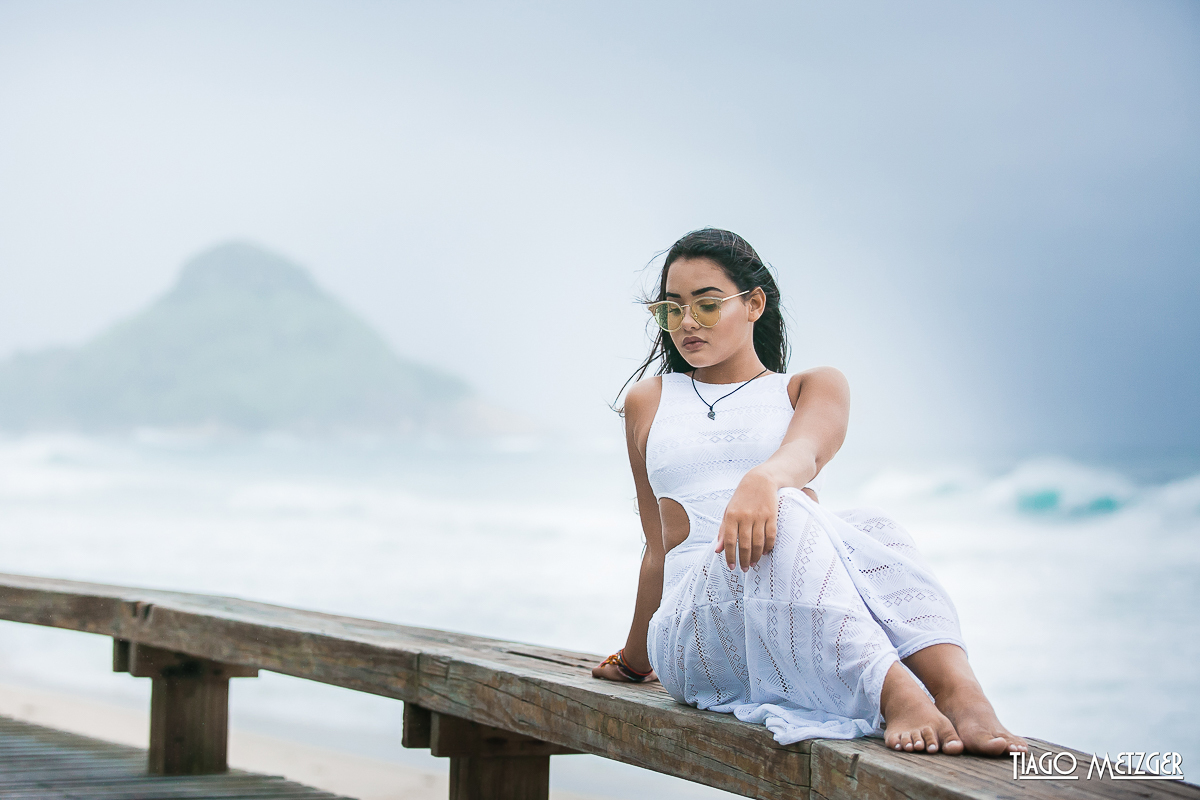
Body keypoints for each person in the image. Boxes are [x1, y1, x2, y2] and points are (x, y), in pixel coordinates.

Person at [592, 228, 1026, 756]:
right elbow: (658, 548)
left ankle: (962, 693)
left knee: (871, 524)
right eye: (671, 310)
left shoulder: (809, 386)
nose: (687, 323)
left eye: (706, 306)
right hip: (695, 640)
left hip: (786, 632)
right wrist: (637, 658)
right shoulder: (650, 400)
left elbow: (807, 452)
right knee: (792, 510)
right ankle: (896, 693)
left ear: (753, 304)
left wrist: (763, 479)